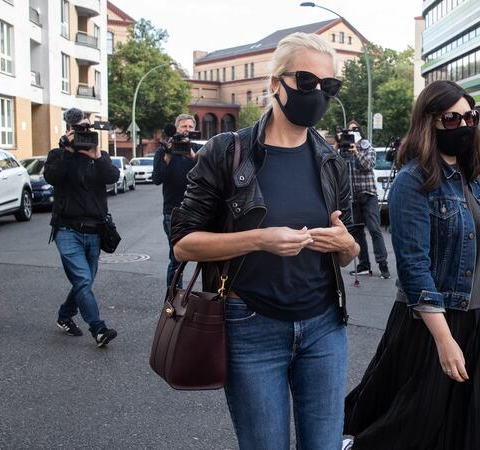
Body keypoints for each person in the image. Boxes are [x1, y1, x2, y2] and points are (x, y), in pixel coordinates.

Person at [172, 32, 358, 449]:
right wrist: (258, 239)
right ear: (276, 83)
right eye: (306, 81)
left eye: (329, 86)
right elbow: (184, 244)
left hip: (325, 326)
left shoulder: (332, 161)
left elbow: (348, 253)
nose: (318, 94)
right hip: (250, 326)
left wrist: (346, 245)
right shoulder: (227, 152)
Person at [343, 81, 480, 449]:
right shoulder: (412, 181)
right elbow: (413, 267)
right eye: (451, 119)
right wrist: (444, 340)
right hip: (433, 323)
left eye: (470, 117)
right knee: (413, 427)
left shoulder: (475, 174)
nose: (464, 125)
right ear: (429, 123)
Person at [44, 108, 120, 347]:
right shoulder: (58, 155)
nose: (83, 133)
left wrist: (97, 156)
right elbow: (52, 177)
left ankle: (65, 315)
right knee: (83, 281)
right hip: (67, 230)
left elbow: (113, 177)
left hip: (95, 231)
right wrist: (68, 152)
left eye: (86, 128)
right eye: (78, 129)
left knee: (83, 282)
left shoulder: (99, 156)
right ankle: (98, 329)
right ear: (68, 131)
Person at [152, 114, 202, 288]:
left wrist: (192, 155)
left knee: (204, 255)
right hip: (173, 212)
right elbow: (157, 179)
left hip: (197, 210)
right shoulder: (163, 151)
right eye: (183, 127)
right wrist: (167, 155)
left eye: (190, 127)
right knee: (176, 258)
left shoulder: (198, 149)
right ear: (176, 129)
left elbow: (207, 174)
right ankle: (173, 297)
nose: (186, 130)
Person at [342, 120, 389, 279]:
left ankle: (383, 265)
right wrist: (337, 145)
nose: (352, 132)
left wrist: (356, 151)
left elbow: (368, 165)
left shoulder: (368, 147)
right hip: (353, 196)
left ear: (360, 132)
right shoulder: (345, 149)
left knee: (375, 230)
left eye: (355, 129)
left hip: (368, 195)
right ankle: (364, 265)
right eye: (349, 130)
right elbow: (338, 166)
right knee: (357, 232)